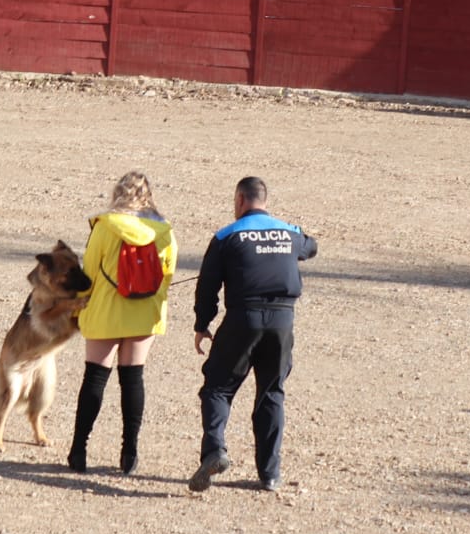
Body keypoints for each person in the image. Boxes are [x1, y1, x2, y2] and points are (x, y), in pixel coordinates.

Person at [190, 176, 317, 494]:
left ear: (241, 200)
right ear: (265, 200)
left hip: (243, 318)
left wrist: (202, 323)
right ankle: (270, 474)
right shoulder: (288, 232)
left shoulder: (226, 235)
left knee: (218, 388)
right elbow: (311, 246)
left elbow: (207, 285)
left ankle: (215, 451)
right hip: (282, 321)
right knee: (272, 392)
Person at [66, 171, 176, 476]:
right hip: (144, 312)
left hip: (105, 309)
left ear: (118, 193)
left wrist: (78, 307)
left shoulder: (105, 226)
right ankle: (129, 453)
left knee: (95, 378)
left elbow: (88, 271)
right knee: (133, 379)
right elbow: (167, 274)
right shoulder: (164, 230)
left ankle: (79, 450)